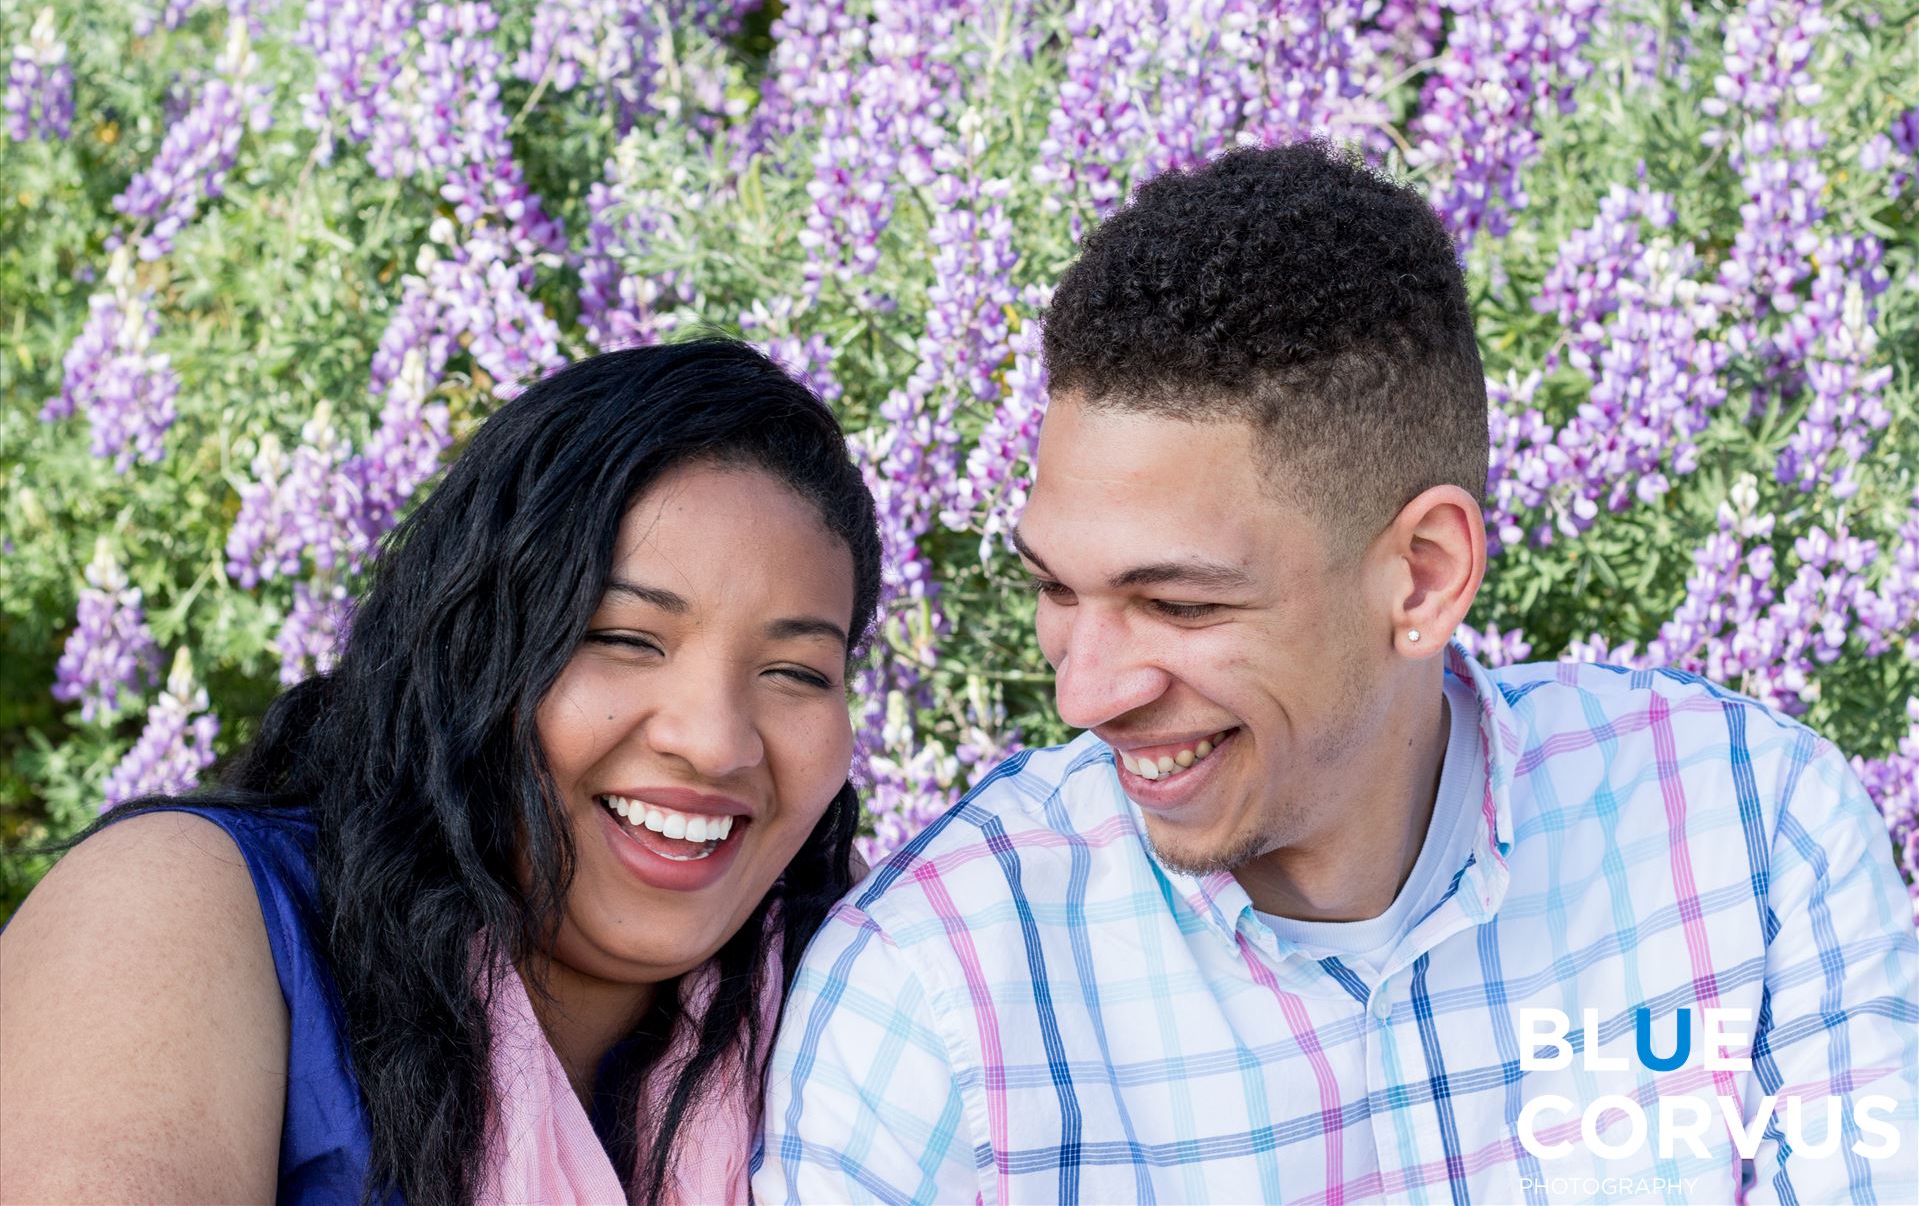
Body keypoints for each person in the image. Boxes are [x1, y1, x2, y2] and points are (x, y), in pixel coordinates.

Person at [755, 144, 1919, 1204]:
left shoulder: (1755, 833)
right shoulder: (928, 996)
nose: (1085, 694)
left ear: (1420, 577)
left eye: (1178, 604)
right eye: (1059, 591)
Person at [1, 341, 882, 1206]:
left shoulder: (876, 976)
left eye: (797, 673)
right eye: (621, 637)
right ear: (470, 650)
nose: (716, 743)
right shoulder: (179, 906)